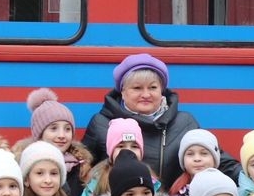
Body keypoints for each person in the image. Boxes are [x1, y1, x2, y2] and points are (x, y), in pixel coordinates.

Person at [82, 53, 238, 187]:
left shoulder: (185, 123)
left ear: (162, 90)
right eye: (137, 88)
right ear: (122, 92)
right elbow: (82, 171)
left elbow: (218, 160)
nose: (146, 94)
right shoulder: (101, 123)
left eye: (152, 87)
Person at [25, 88, 93, 196]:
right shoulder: (25, 166)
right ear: (39, 134)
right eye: (54, 128)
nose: (62, 135)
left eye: (67, 129)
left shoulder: (82, 168)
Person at [165, 130, 225, 196]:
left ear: (214, 159)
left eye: (204, 153)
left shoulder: (227, 191)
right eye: (190, 154)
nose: (197, 159)